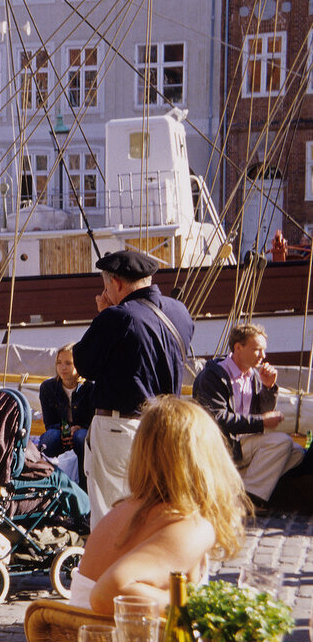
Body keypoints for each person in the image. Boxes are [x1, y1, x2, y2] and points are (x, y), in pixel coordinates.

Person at [70, 397, 248, 615]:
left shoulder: (120, 512)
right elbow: (108, 593)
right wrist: (199, 607)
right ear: (208, 460)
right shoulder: (190, 525)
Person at [74, 249, 193, 528]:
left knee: (111, 511)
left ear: (116, 283)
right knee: (154, 506)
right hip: (163, 426)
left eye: (106, 287)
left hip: (120, 429)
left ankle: (111, 568)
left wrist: (104, 315)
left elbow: (85, 365)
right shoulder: (180, 312)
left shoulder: (117, 317)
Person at [192, 324, 304, 507]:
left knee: (297, 453)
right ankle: (245, 501)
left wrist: (268, 388)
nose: (263, 356)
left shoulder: (252, 375)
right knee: (282, 442)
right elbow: (217, 418)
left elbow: (260, 412)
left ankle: (235, 486)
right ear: (238, 348)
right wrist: (262, 422)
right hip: (223, 445)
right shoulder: (213, 376)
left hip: (244, 443)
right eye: (257, 350)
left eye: (264, 350)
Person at [37, 344, 94, 484]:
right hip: (58, 430)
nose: (62, 368)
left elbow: (93, 420)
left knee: (81, 438)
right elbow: (49, 424)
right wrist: (64, 430)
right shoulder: (47, 388)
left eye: (68, 363)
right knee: (48, 440)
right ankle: (46, 482)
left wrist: (79, 428)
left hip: (82, 432)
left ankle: (84, 486)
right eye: (59, 363)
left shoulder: (90, 388)